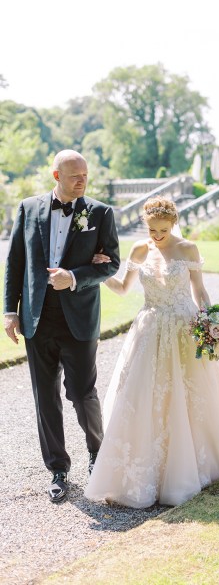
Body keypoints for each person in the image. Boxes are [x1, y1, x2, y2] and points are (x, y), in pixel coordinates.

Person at [85, 196, 219, 508]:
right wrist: (101, 273)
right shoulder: (139, 249)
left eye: (162, 230)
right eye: (151, 230)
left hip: (184, 328)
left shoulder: (188, 249)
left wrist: (215, 322)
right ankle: (148, 472)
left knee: (192, 394)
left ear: (173, 223)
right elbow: (123, 288)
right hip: (149, 329)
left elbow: (199, 291)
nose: (156, 236)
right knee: (145, 396)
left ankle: (197, 462)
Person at [3, 150, 120, 503]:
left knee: (82, 394)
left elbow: (112, 263)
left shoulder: (100, 213)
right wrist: (10, 311)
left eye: (85, 175)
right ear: (56, 176)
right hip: (37, 318)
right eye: (74, 176)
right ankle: (57, 468)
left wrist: (75, 276)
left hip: (79, 318)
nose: (81, 181)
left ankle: (97, 454)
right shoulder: (28, 208)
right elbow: (15, 262)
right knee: (45, 397)